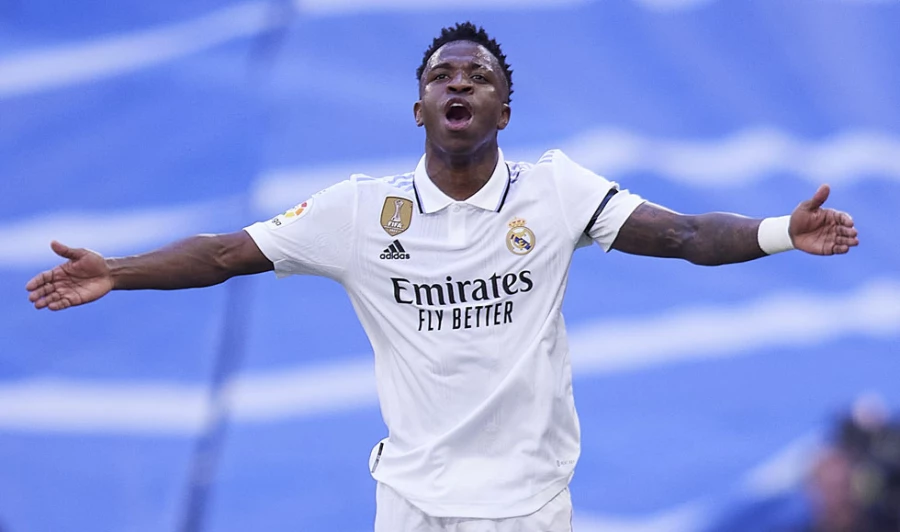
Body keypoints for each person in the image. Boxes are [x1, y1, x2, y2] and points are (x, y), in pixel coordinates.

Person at [26, 21, 859, 532]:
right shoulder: (359, 211)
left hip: (527, 505)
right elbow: (222, 254)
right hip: (412, 503)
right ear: (419, 108)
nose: (460, 81)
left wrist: (781, 232)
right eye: (441, 75)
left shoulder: (557, 191)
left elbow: (683, 235)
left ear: (504, 112)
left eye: (479, 77)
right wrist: (117, 272)